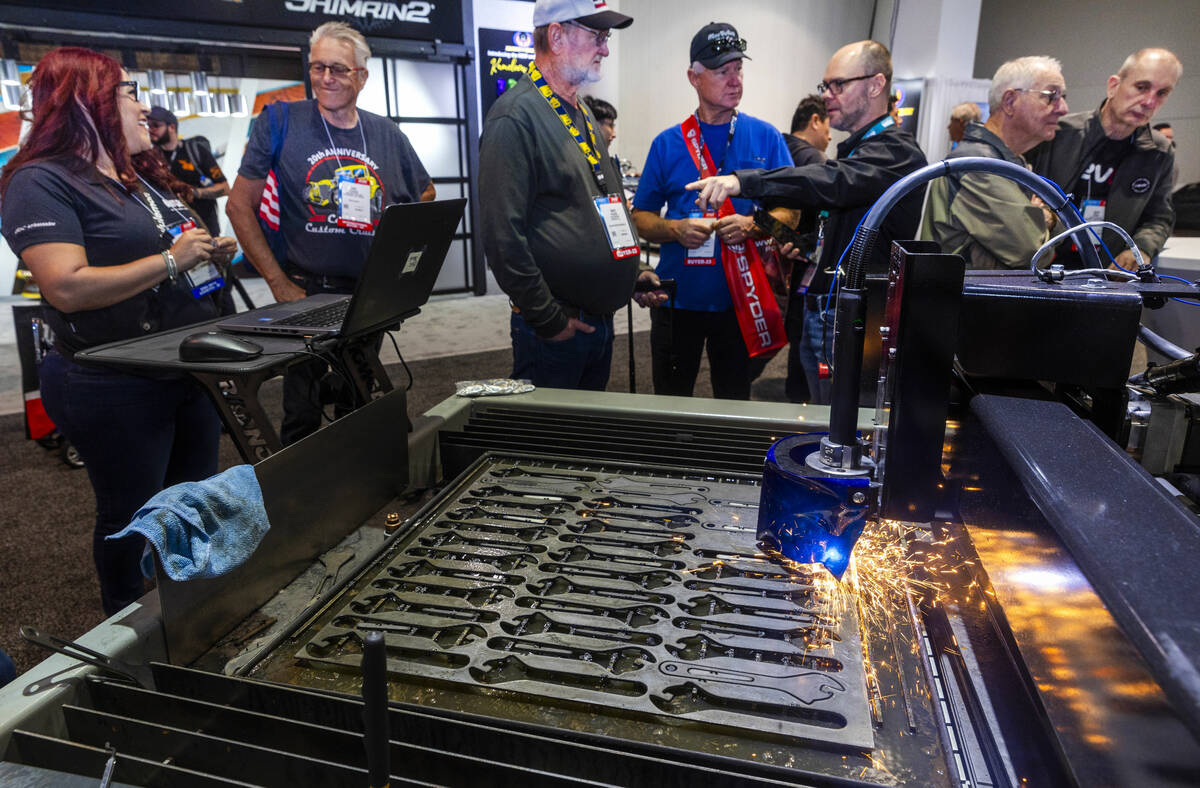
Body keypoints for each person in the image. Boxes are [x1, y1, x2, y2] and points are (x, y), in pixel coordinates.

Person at [0, 47, 238, 615]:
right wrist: (174, 261)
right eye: (129, 92)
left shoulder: (132, 177)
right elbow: (67, 285)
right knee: (132, 511)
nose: (143, 108)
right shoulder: (39, 182)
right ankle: (131, 630)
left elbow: (163, 248)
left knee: (192, 497)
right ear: (90, 104)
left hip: (182, 365)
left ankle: (191, 612)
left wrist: (204, 254)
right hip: (111, 379)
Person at [226, 21, 435, 445]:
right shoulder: (281, 120)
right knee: (301, 407)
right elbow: (238, 205)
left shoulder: (386, 132)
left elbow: (426, 192)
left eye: (338, 69)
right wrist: (278, 283)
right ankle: (297, 500)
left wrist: (395, 240)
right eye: (317, 67)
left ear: (362, 76)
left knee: (357, 396)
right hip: (307, 291)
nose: (325, 78)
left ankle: (356, 484)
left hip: (368, 294)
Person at [688, 40, 928, 404]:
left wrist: (742, 181)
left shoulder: (896, 152)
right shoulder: (858, 150)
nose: (828, 96)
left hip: (854, 319)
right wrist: (795, 240)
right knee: (820, 417)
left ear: (876, 85)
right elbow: (837, 227)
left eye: (839, 85)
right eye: (825, 86)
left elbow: (831, 181)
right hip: (826, 312)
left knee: (843, 427)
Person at [630, 23, 797, 401]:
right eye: (723, 71)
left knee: (734, 402)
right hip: (677, 299)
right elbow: (640, 217)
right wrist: (675, 230)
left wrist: (754, 225)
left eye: (739, 68)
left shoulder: (766, 138)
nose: (735, 80)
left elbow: (792, 214)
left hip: (742, 299)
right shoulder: (667, 143)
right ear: (694, 77)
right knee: (671, 401)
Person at [479, 0, 638, 391]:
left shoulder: (581, 111)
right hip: (556, 328)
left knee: (582, 439)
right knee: (548, 444)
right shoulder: (514, 118)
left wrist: (631, 274)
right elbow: (503, 238)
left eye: (606, 37)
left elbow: (595, 206)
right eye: (597, 36)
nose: (605, 48)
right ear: (556, 35)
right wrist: (548, 320)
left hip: (596, 320)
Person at [1030, 48, 1181, 271]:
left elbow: (1159, 218)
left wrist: (1140, 249)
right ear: (1113, 86)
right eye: (1141, 87)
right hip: (1043, 268)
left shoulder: (1159, 152)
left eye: (1162, 93)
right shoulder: (1059, 134)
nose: (1149, 101)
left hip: (1106, 275)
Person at [921, 56, 1069, 269]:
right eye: (1051, 96)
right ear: (1009, 102)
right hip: (965, 299)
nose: (1063, 108)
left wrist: (1045, 219)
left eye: (1062, 96)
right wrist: (1048, 217)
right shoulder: (979, 166)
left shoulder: (1007, 161)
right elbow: (1034, 253)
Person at [147, 106, 229, 236]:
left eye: (155, 126)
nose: (151, 130)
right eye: (148, 126)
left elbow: (225, 188)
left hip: (204, 228)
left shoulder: (196, 151)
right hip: (172, 232)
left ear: (172, 127)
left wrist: (193, 192)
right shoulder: (151, 156)